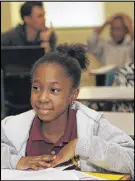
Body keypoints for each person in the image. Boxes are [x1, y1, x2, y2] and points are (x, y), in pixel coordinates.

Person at [1, 44, 134, 178]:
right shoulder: (14, 127)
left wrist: (82, 145)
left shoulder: (92, 126)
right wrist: (17, 161)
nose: (42, 98)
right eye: (36, 88)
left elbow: (131, 159)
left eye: (54, 90)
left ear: (73, 95)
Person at [87, 13, 134, 85]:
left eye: (118, 28)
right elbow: (91, 42)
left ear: (125, 30)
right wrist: (105, 24)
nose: (114, 32)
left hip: (126, 82)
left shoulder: (130, 45)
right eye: (112, 28)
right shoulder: (105, 45)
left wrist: (130, 27)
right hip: (106, 82)